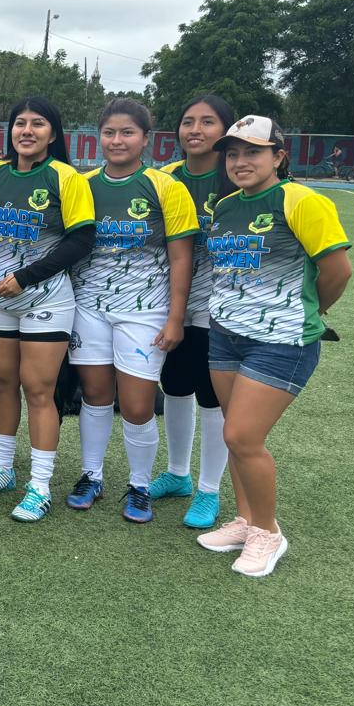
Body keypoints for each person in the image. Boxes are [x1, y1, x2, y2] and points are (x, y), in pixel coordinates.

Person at [197, 115, 351, 577]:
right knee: (235, 431)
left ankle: (268, 533)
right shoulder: (226, 206)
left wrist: (308, 311)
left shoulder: (301, 200)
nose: (240, 161)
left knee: (242, 436)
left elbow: (337, 271)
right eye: (233, 153)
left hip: (282, 340)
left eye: (253, 152)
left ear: (279, 157)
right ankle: (246, 520)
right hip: (226, 333)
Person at [64, 99, 198, 523]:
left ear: (145, 139)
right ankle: (91, 475)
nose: (117, 140)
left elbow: (182, 257)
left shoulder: (166, 187)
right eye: (109, 132)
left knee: (138, 406)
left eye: (127, 133)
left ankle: (140, 485)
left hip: (145, 310)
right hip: (88, 306)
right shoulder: (82, 185)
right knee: (95, 395)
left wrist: (175, 317)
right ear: (98, 137)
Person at [0, 97, 96, 522]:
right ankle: (2, 468)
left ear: (53, 133)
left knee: (38, 390)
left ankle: (39, 485)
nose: (27, 130)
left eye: (37, 123)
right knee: (2, 383)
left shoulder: (66, 178)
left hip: (45, 300)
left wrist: (25, 277)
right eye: (20, 123)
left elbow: (82, 240)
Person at [151, 94, 236, 528]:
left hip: (220, 303)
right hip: (170, 298)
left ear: (226, 131)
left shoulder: (236, 178)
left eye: (207, 122)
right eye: (188, 122)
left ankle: (208, 490)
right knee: (175, 385)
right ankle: (178, 474)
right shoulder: (166, 178)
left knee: (211, 394)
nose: (196, 130)